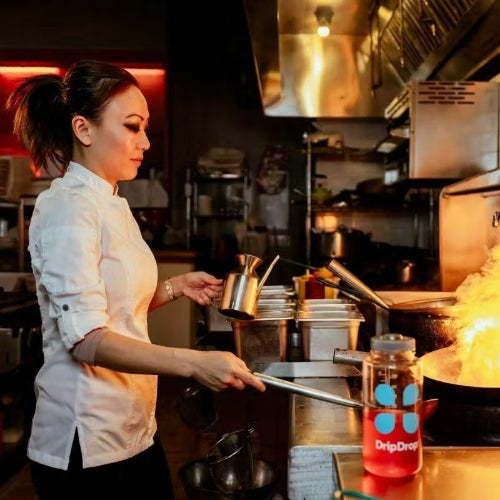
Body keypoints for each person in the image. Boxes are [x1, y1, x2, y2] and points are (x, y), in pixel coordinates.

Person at [7, 60, 266, 500]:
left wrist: (174, 287)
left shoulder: (113, 201)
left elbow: (112, 308)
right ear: (83, 130)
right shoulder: (68, 209)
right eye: (132, 126)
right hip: (85, 442)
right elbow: (86, 339)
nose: (145, 141)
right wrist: (195, 362)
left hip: (133, 427)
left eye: (145, 127)